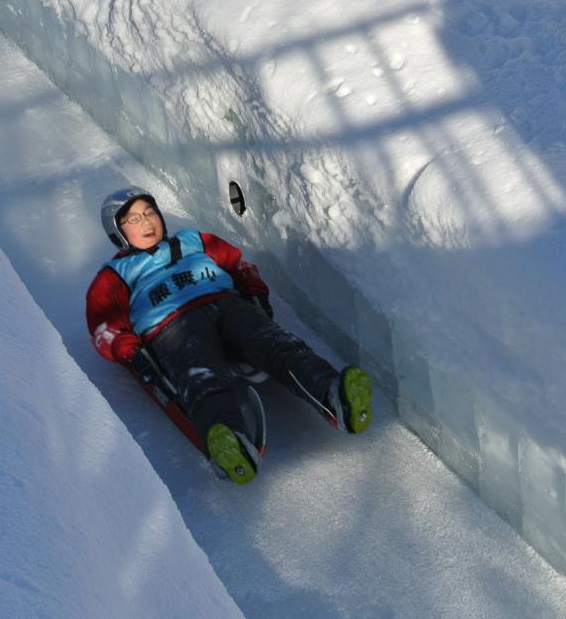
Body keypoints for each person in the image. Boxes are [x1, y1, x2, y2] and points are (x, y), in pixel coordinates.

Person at [85, 186, 372, 484]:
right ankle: (230, 442)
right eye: (133, 219)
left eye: (149, 212)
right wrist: (132, 352)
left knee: (277, 345)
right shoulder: (115, 274)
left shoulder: (193, 240)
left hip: (227, 305)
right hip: (173, 326)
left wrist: (255, 295)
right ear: (117, 232)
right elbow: (103, 326)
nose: (146, 222)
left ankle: (333, 393)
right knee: (201, 377)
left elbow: (239, 266)